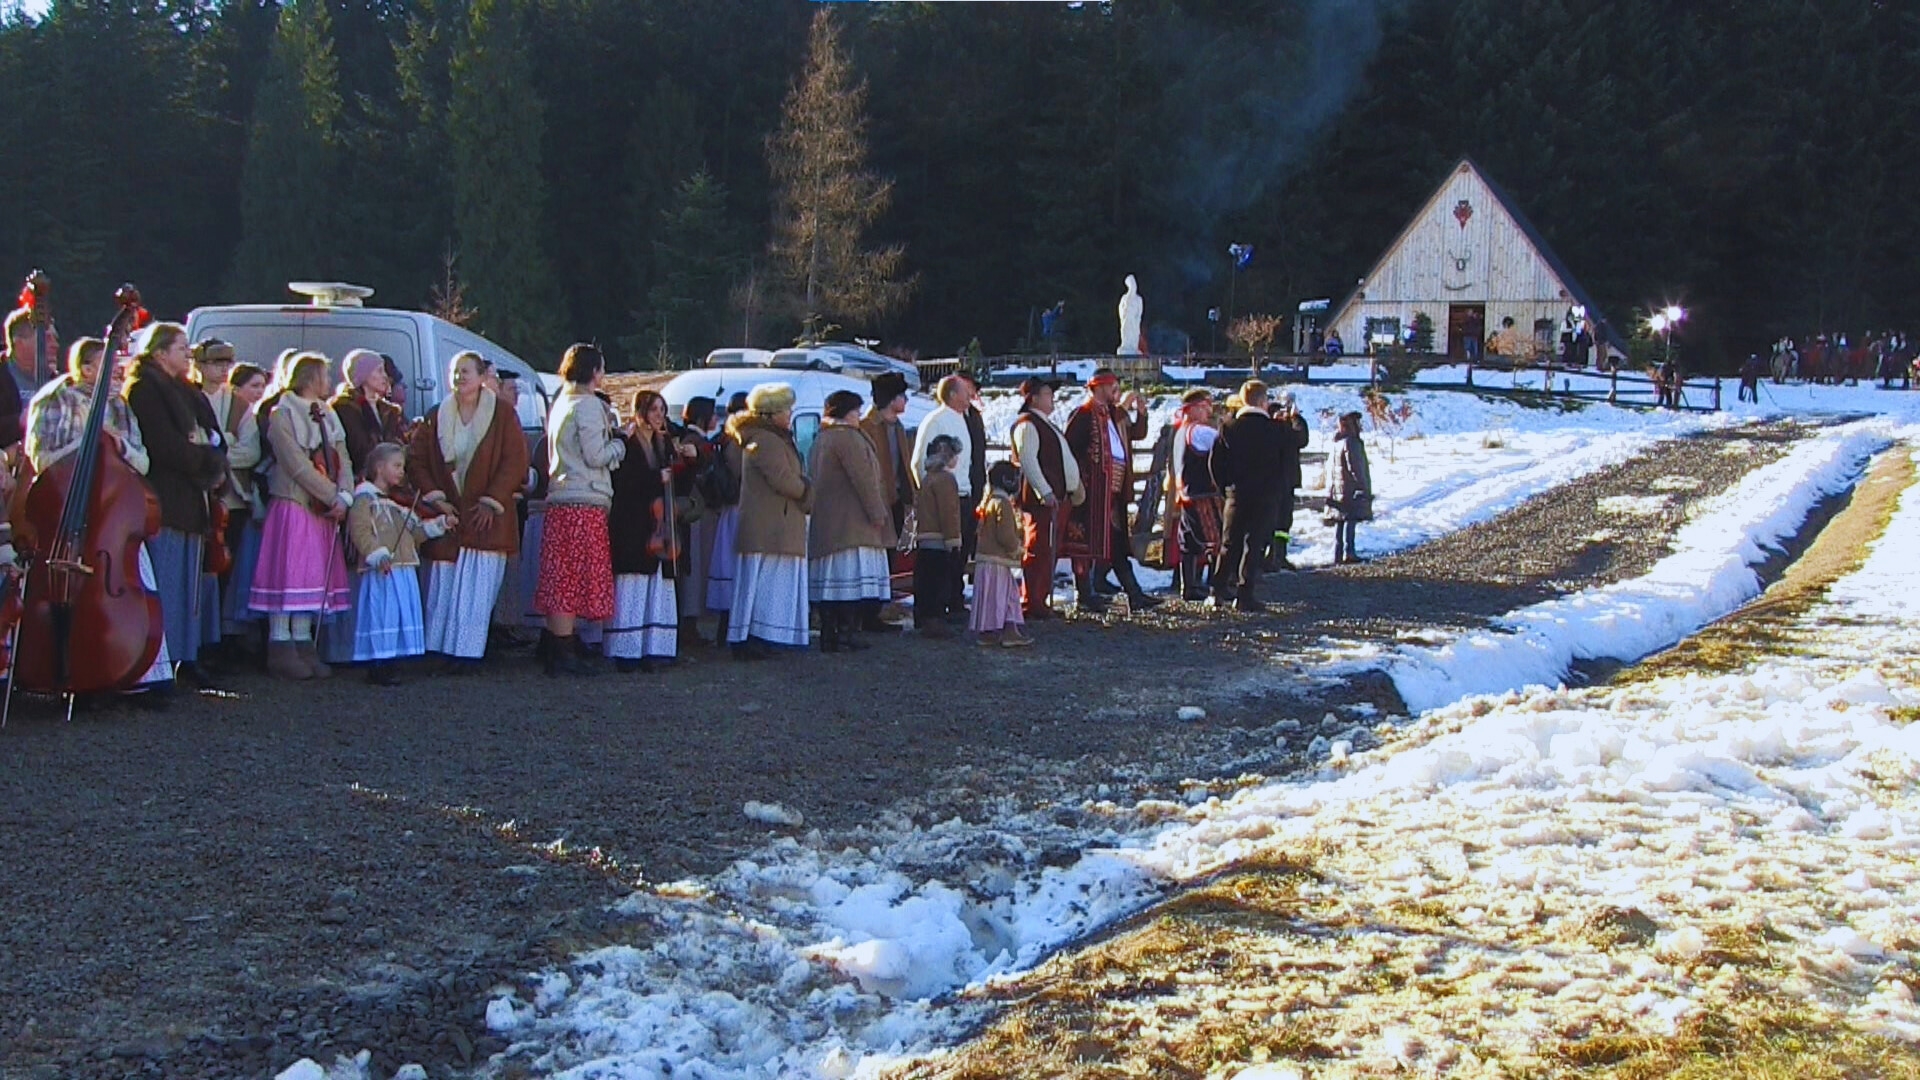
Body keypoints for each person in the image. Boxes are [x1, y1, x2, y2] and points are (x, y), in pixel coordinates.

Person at [25, 336, 175, 701]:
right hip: (66, 517)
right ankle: (62, 665)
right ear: (88, 368)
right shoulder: (55, 399)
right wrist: (88, 442)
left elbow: (142, 461)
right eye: (110, 370)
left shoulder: (119, 406)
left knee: (134, 580)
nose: (118, 378)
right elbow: (41, 457)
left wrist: (118, 445)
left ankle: (140, 670)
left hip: (113, 521)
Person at [405, 351, 529, 672]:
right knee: (442, 585)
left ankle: (467, 653)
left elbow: (515, 460)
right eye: (455, 372)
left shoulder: (502, 414)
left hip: (484, 514)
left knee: (477, 587)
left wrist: (492, 499)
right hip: (449, 513)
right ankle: (436, 649)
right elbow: (416, 460)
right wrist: (435, 497)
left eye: (466, 371)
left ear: (480, 376)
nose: (460, 377)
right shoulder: (437, 414)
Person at [124, 322, 229, 688]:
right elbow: (165, 445)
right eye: (181, 347)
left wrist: (208, 451)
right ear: (159, 352)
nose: (189, 353)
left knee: (189, 587)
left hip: (193, 499)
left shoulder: (188, 392)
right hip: (166, 498)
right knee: (167, 582)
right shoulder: (144, 390)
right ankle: (159, 661)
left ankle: (186, 654)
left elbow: (215, 437)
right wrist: (203, 453)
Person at [250, 352, 354, 680]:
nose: (329, 381)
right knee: (290, 572)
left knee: (311, 576)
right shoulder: (282, 413)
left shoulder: (329, 413)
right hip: (295, 503)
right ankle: (280, 644)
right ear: (310, 377)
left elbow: (343, 458)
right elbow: (295, 463)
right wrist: (329, 494)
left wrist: (345, 495)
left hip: (324, 510)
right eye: (325, 374)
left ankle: (303, 640)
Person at [348, 442, 453, 685]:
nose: (401, 472)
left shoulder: (397, 503)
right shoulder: (365, 499)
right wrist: (376, 553)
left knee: (396, 614)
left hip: (403, 567)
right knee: (382, 613)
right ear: (379, 466)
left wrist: (439, 524)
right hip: (383, 569)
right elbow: (360, 530)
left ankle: (391, 660)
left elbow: (414, 533)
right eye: (396, 466)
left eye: (402, 467)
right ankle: (378, 665)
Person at [726, 382, 813, 659]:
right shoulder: (765, 441)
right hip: (770, 526)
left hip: (775, 524)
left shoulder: (768, 438)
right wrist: (808, 491)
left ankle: (763, 635)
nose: (790, 414)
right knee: (762, 584)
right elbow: (783, 479)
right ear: (772, 412)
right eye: (786, 409)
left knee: (766, 585)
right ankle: (753, 637)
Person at [604, 389, 689, 672]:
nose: (659, 416)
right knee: (633, 584)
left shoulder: (664, 443)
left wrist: (688, 458)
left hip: (657, 524)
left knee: (658, 585)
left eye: (662, 410)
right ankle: (626, 651)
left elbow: (681, 477)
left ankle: (656, 648)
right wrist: (656, 477)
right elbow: (624, 481)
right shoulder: (626, 441)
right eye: (654, 410)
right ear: (640, 411)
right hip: (632, 522)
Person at [1063, 368, 1157, 612]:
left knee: (1116, 542)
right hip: (1091, 491)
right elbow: (1070, 451)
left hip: (1113, 493)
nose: (1117, 391)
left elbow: (1136, 432)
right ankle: (1083, 594)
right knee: (1083, 543)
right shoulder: (1084, 415)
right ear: (1100, 387)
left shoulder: (1114, 415)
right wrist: (1078, 484)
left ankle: (1134, 594)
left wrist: (1142, 414)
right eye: (1112, 386)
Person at [807, 389, 894, 653]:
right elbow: (864, 480)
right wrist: (877, 513)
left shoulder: (821, 438)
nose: (859, 415)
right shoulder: (847, 439)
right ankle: (845, 633)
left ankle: (829, 633)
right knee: (847, 583)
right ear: (846, 413)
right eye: (856, 411)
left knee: (830, 584)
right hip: (851, 522)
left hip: (828, 522)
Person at [1208, 381, 1287, 612]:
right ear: (1263, 402)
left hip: (1237, 493)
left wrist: (1225, 488)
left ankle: (1217, 590)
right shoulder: (1276, 430)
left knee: (1229, 543)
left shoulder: (1228, 427)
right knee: (1254, 545)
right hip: (1265, 495)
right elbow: (1285, 464)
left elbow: (1215, 463)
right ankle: (1245, 594)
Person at [1009, 377, 1081, 620]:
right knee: (1038, 549)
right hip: (1040, 501)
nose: (1052, 399)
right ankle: (1032, 601)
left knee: (1049, 549)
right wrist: (1044, 491)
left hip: (1056, 498)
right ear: (1034, 398)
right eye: (1048, 394)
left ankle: (1042, 599)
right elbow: (1029, 461)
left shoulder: (1045, 424)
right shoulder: (1027, 425)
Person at [910, 375, 975, 617]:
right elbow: (919, 462)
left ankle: (954, 601)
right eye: (964, 390)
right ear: (952, 394)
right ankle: (934, 609)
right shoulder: (935, 420)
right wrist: (929, 494)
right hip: (943, 496)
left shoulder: (964, 419)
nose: (969, 394)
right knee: (938, 558)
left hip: (964, 494)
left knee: (959, 554)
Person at [219, 362, 270, 656]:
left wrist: (221, 455)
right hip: (227, 499)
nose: (259, 391)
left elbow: (250, 454)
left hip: (246, 501)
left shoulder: (258, 417)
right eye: (253, 385)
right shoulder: (231, 411)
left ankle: (240, 634)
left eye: (262, 385)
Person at [1162, 389, 1221, 601]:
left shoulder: (1180, 432)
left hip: (1184, 492)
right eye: (1206, 407)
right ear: (1194, 408)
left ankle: (1189, 586)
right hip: (1202, 492)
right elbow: (1224, 445)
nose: (1209, 412)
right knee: (1215, 539)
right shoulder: (1199, 432)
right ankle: (1217, 586)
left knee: (1189, 541)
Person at [673, 396, 721, 643]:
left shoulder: (694, 440)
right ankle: (688, 623)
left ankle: (690, 623)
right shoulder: (695, 443)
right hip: (695, 513)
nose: (716, 419)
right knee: (693, 569)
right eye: (713, 414)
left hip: (695, 512)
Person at [970, 461, 1033, 648]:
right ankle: (1000, 632)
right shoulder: (1002, 504)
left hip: (988, 560)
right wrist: (1018, 549)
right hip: (997, 562)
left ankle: (1000, 631)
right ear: (1007, 480)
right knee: (1002, 597)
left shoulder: (989, 501)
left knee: (998, 597)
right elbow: (1005, 534)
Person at [703, 393, 748, 646]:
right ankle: (729, 630)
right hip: (738, 508)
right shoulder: (736, 442)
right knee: (734, 567)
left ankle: (726, 629)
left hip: (732, 509)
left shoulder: (725, 438)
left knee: (728, 566)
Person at [912, 435, 963, 639]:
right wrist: (954, 540)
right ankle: (935, 622)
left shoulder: (927, 478)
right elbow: (948, 512)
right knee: (938, 582)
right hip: (939, 539)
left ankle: (923, 618)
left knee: (925, 582)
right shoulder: (945, 480)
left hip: (924, 537)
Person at [332, 348, 406, 479]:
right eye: (379, 370)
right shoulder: (345, 408)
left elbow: (397, 446)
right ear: (363, 375)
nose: (385, 376)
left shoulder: (389, 411)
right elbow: (359, 451)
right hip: (361, 481)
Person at [1, 302, 60, 448]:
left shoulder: (58, 383)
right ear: (19, 344)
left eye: (55, 339)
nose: (55, 345)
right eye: (47, 339)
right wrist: (20, 421)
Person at [1265, 390, 1311, 571]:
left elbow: (1302, 439)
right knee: (1271, 521)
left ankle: (1280, 555)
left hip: (1287, 480)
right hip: (1271, 482)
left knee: (1284, 523)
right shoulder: (1270, 430)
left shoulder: (1289, 429)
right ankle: (1268, 557)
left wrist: (1296, 419)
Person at [1325, 410, 1374, 565]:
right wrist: (1363, 487)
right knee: (1350, 520)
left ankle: (1338, 553)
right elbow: (1356, 466)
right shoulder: (1351, 442)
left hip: (1337, 489)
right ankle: (1349, 551)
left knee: (1340, 521)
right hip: (1349, 489)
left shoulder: (1336, 442)